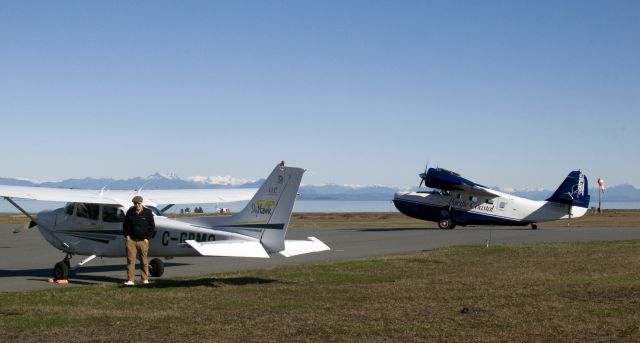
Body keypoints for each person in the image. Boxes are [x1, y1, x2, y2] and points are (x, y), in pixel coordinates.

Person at [122, 195, 155, 285]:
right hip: (131, 240)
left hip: (143, 241)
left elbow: (152, 227)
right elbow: (125, 226)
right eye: (135, 203)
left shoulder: (148, 212)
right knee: (130, 261)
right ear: (133, 204)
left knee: (144, 260)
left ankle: (145, 279)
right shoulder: (130, 212)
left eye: (139, 203)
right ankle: (130, 280)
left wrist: (147, 238)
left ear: (142, 203)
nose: (137, 205)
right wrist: (127, 236)